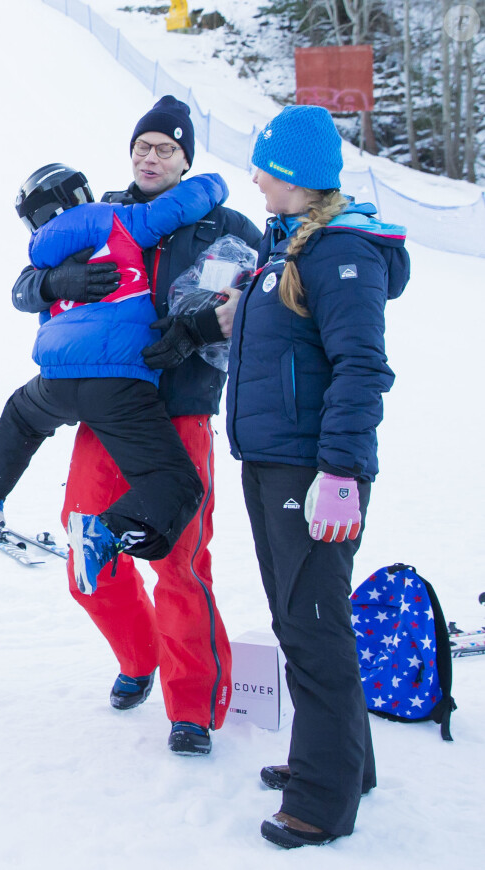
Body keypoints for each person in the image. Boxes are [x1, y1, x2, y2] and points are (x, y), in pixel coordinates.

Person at [11, 96, 263, 754]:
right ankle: (139, 655)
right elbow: (23, 283)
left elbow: (266, 299)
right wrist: (54, 283)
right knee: (88, 556)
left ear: (186, 159)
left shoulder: (224, 225)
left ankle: (193, 707)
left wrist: (201, 328)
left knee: (179, 562)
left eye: (166, 149)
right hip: (107, 415)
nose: (151, 158)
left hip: (181, 414)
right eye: (143, 147)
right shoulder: (105, 216)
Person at [226, 105, 410, 847]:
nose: (255, 178)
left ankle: (321, 800)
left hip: (312, 471)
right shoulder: (287, 246)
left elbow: (361, 368)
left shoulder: (342, 253)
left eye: (264, 166)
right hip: (273, 462)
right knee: (301, 619)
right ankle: (345, 761)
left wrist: (340, 472)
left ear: (295, 175)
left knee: (314, 625)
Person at [0, 162, 230, 593]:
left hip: (55, 380)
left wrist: (53, 281)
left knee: (21, 416)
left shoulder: (41, 249)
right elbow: (178, 206)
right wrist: (214, 183)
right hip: (117, 382)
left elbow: (24, 291)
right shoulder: (118, 218)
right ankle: (108, 530)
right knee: (175, 481)